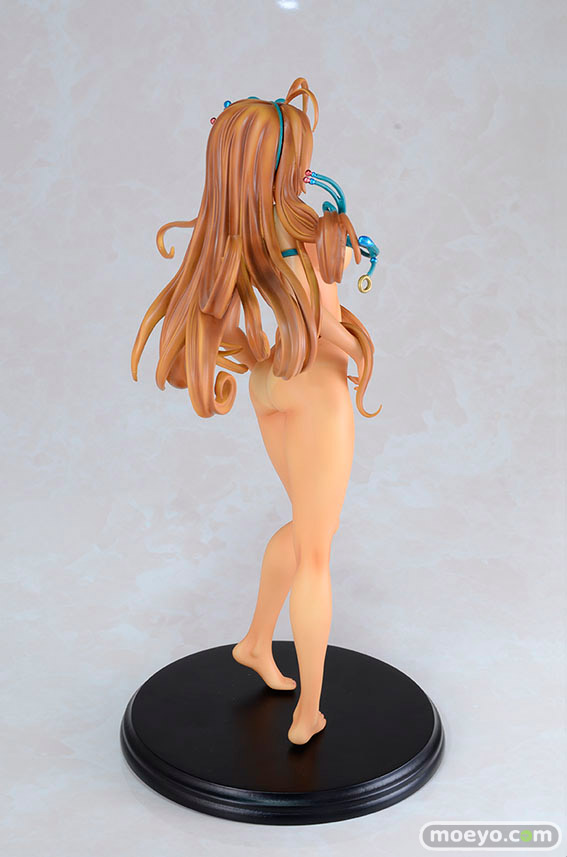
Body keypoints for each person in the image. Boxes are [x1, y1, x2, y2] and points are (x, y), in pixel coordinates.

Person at [131, 76, 381, 745]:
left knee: (304, 526)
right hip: (315, 387)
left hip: (269, 385)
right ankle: (309, 711)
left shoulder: (237, 230)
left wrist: (249, 354)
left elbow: (224, 321)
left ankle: (253, 642)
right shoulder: (316, 227)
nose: (305, 166)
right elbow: (324, 328)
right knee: (318, 553)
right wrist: (358, 342)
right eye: (296, 154)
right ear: (280, 162)